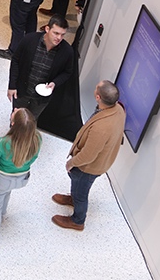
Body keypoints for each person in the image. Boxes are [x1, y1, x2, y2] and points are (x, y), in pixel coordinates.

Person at [52, 81, 126, 231]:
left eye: (96, 87)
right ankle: (73, 197)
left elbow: (88, 155)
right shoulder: (118, 109)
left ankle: (77, 220)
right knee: (78, 186)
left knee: (81, 192)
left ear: (98, 97)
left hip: (88, 167)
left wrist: (72, 162)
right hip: (99, 161)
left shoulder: (101, 128)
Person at [0, 108, 40, 242]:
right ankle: (3, 212)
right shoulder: (37, 139)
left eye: (15, 113)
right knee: (7, 193)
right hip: (22, 178)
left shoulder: (3, 142)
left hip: (1, 179)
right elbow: (34, 158)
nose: (15, 109)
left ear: (13, 124)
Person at [7, 16, 74, 119]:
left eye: (62, 35)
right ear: (47, 29)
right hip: (22, 90)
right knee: (17, 119)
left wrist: (55, 82)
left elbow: (67, 72)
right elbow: (16, 61)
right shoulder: (29, 40)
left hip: (41, 97)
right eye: (56, 33)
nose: (59, 38)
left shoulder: (67, 51)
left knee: (32, 120)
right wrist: (12, 85)